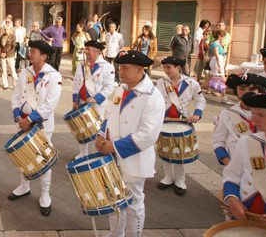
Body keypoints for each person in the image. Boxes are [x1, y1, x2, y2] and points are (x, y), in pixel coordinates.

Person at [96, 50, 165, 237]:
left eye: (125, 68)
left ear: (140, 69)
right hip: (114, 157)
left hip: (134, 159)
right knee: (115, 200)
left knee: (134, 205)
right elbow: (110, 115)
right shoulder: (122, 88)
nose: (121, 71)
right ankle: (116, 234)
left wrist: (115, 147)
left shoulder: (153, 96)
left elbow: (148, 135)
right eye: (120, 67)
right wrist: (101, 135)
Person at [8, 40, 62, 216]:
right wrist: (18, 116)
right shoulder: (25, 72)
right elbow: (16, 96)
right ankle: (24, 186)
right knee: (24, 157)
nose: (29, 53)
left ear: (44, 56)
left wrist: (30, 119)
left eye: (33, 51)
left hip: (42, 125)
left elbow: (50, 104)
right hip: (23, 122)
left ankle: (45, 194)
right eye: (30, 51)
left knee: (43, 160)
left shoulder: (54, 76)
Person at [155, 56, 206, 195]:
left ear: (178, 68)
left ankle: (180, 180)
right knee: (165, 149)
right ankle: (168, 177)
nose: (166, 71)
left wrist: (197, 113)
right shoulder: (160, 82)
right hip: (165, 120)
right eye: (164, 67)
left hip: (182, 121)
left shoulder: (191, 83)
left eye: (169, 67)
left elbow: (200, 100)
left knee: (179, 152)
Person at [222, 92, 266, 226]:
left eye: (261, 115)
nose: (254, 121)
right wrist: (232, 199)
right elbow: (232, 174)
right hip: (245, 215)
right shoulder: (247, 142)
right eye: (253, 114)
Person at [213, 74, 266, 166]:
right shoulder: (227, 113)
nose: (247, 92)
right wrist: (228, 162)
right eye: (242, 89)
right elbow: (218, 141)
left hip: (264, 169)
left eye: (252, 89)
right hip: (237, 166)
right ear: (236, 90)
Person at [71, 40, 115, 157]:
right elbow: (76, 83)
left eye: (88, 49)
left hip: (96, 104)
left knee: (96, 129)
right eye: (85, 49)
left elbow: (109, 86)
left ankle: (97, 152)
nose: (86, 52)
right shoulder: (81, 65)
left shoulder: (107, 67)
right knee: (82, 129)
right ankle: (83, 152)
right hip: (82, 101)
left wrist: (96, 98)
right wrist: (75, 100)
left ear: (97, 51)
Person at [0, 26, 17, 90]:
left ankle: (15, 85)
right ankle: (5, 85)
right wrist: (0, 53)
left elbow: (13, 47)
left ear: (10, 30)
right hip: (2, 56)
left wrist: (6, 54)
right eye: (5, 29)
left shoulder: (13, 37)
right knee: (3, 70)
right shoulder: (2, 36)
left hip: (10, 56)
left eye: (7, 29)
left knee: (12, 70)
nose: (6, 30)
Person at [209, 29, 227, 96]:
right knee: (223, 77)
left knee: (209, 79)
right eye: (222, 36)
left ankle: (197, 92)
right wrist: (219, 66)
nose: (223, 38)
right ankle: (225, 95)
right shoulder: (216, 43)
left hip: (217, 61)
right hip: (217, 62)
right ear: (219, 36)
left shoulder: (217, 43)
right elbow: (216, 55)